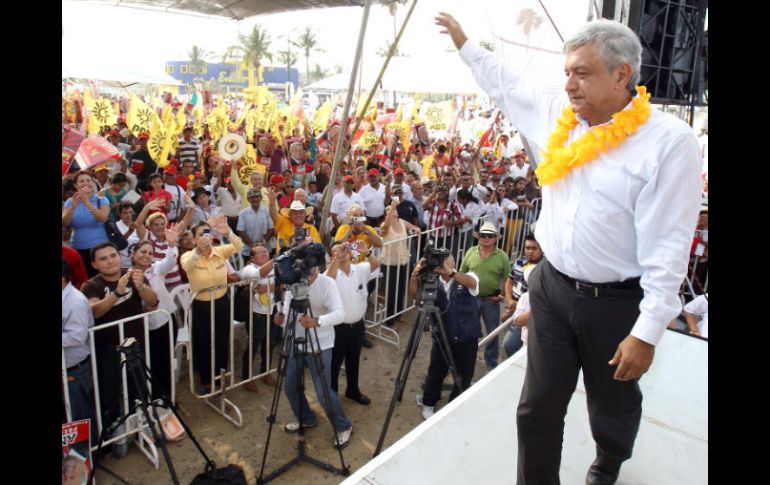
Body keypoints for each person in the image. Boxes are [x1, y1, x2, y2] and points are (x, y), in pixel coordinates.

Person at [437, 13, 702, 484]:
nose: (569, 85)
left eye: (582, 73)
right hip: (554, 291)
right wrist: (464, 43)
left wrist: (647, 331)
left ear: (622, 75)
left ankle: (607, 465)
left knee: (612, 406)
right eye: (566, 73)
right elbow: (505, 84)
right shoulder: (556, 116)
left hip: (617, 303)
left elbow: (670, 245)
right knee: (535, 409)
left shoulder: (668, 142)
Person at [81, 242, 158, 456]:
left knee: (139, 389)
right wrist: (117, 292)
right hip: (108, 350)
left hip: (135, 346)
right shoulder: (90, 285)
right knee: (111, 395)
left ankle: (144, 429)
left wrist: (141, 287)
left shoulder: (133, 274)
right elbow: (94, 311)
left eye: (113, 255)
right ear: (95, 264)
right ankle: (116, 437)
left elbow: (153, 302)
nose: (110, 261)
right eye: (103, 258)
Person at [274, 263, 354, 449]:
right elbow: (288, 316)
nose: (305, 279)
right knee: (290, 386)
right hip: (295, 343)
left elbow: (340, 314)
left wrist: (317, 321)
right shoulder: (292, 282)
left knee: (323, 392)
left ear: (316, 269)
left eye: (308, 274)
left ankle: (343, 426)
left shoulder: (327, 283)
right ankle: (306, 418)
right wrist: (280, 321)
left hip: (321, 345)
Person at [409, 253, 480, 420]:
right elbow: (415, 295)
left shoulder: (466, 277)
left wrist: (452, 273)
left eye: (448, 262)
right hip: (442, 336)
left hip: (466, 337)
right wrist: (414, 275)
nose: (444, 266)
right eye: (441, 263)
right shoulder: (431, 279)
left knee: (465, 374)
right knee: (436, 372)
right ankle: (428, 403)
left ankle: (454, 404)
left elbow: (473, 283)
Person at [180, 216, 243, 393]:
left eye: (207, 233)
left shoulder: (220, 252)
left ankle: (220, 377)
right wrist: (198, 252)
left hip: (222, 303)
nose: (205, 237)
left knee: (222, 341)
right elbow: (187, 266)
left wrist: (228, 232)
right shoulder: (188, 255)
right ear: (193, 239)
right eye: (201, 234)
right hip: (200, 307)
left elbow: (238, 246)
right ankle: (207, 382)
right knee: (203, 344)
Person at [128, 223, 184, 399]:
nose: (147, 256)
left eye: (150, 253)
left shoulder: (157, 269)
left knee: (165, 361)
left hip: (165, 321)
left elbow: (170, 261)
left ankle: (167, 398)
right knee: (150, 363)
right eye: (143, 252)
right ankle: (152, 398)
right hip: (142, 328)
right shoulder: (127, 276)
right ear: (133, 254)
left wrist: (171, 244)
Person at [326, 241, 380, 405]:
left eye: (343, 249)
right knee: (334, 363)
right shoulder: (329, 274)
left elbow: (376, 265)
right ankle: (332, 395)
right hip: (338, 328)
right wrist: (337, 259)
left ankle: (352, 390)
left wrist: (367, 251)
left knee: (353, 360)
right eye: (335, 251)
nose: (341, 252)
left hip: (357, 326)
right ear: (330, 257)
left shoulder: (360, 268)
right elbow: (328, 280)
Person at [459, 222, 509, 371]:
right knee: (467, 331)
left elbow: (508, 279)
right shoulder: (470, 252)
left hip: (490, 300)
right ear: (479, 237)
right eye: (483, 235)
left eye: (490, 236)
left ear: (495, 239)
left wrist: (500, 297)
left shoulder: (503, 257)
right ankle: (464, 361)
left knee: (492, 332)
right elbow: (462, 273)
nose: (486, 238)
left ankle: (491, 364)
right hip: (471, 299)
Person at [62, 259, 97, 445]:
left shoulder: (74, 302)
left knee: (80, 413)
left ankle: (88, 453)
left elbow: (76, 336)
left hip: (75, 369)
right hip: (67, 367)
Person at [239, 244, 279, 391]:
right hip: (256, 315)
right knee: (253, 347)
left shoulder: (274, 267)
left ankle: (266, 372)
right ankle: (246, 377)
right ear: (252, 258)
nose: (265, 254)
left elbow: (282, 284)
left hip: (272, 311)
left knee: (269, 345)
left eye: (266, 252)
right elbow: (258, 276)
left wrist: (267, 288)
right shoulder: (249, 268)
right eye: (260, 253)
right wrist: (275, 261)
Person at [62, 171, 111, 277]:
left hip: (100, 247)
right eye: (81, 181)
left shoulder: (101, 200)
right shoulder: (70, 202)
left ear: (92, 183)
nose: (85, 183)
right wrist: (73, 207)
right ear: (75, 185)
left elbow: (103, 218)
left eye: (88, 180)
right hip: (78, 247)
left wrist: (87, 203)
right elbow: (65, 223)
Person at [502, 234, 543, 356]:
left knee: (510, 344)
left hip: (529, 314)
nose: (529, 251)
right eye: (527, 248)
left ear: (541, 249)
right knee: (510, 345)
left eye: (533, 248)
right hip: (513, 308)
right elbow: (509, 281)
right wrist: (509, 300)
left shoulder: (545, 267)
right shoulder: (519, 262)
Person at [237, 187, 274, 258]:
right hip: (248, 251)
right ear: (248, 199)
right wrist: (252, 245)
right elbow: (241, 231)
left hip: (265, 249)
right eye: (251, 197)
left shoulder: (267, 211)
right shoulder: (243, 213)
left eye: (256, 197)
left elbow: (271, 229)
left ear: (260, 198)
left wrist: (263, 242)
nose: (254, 199)